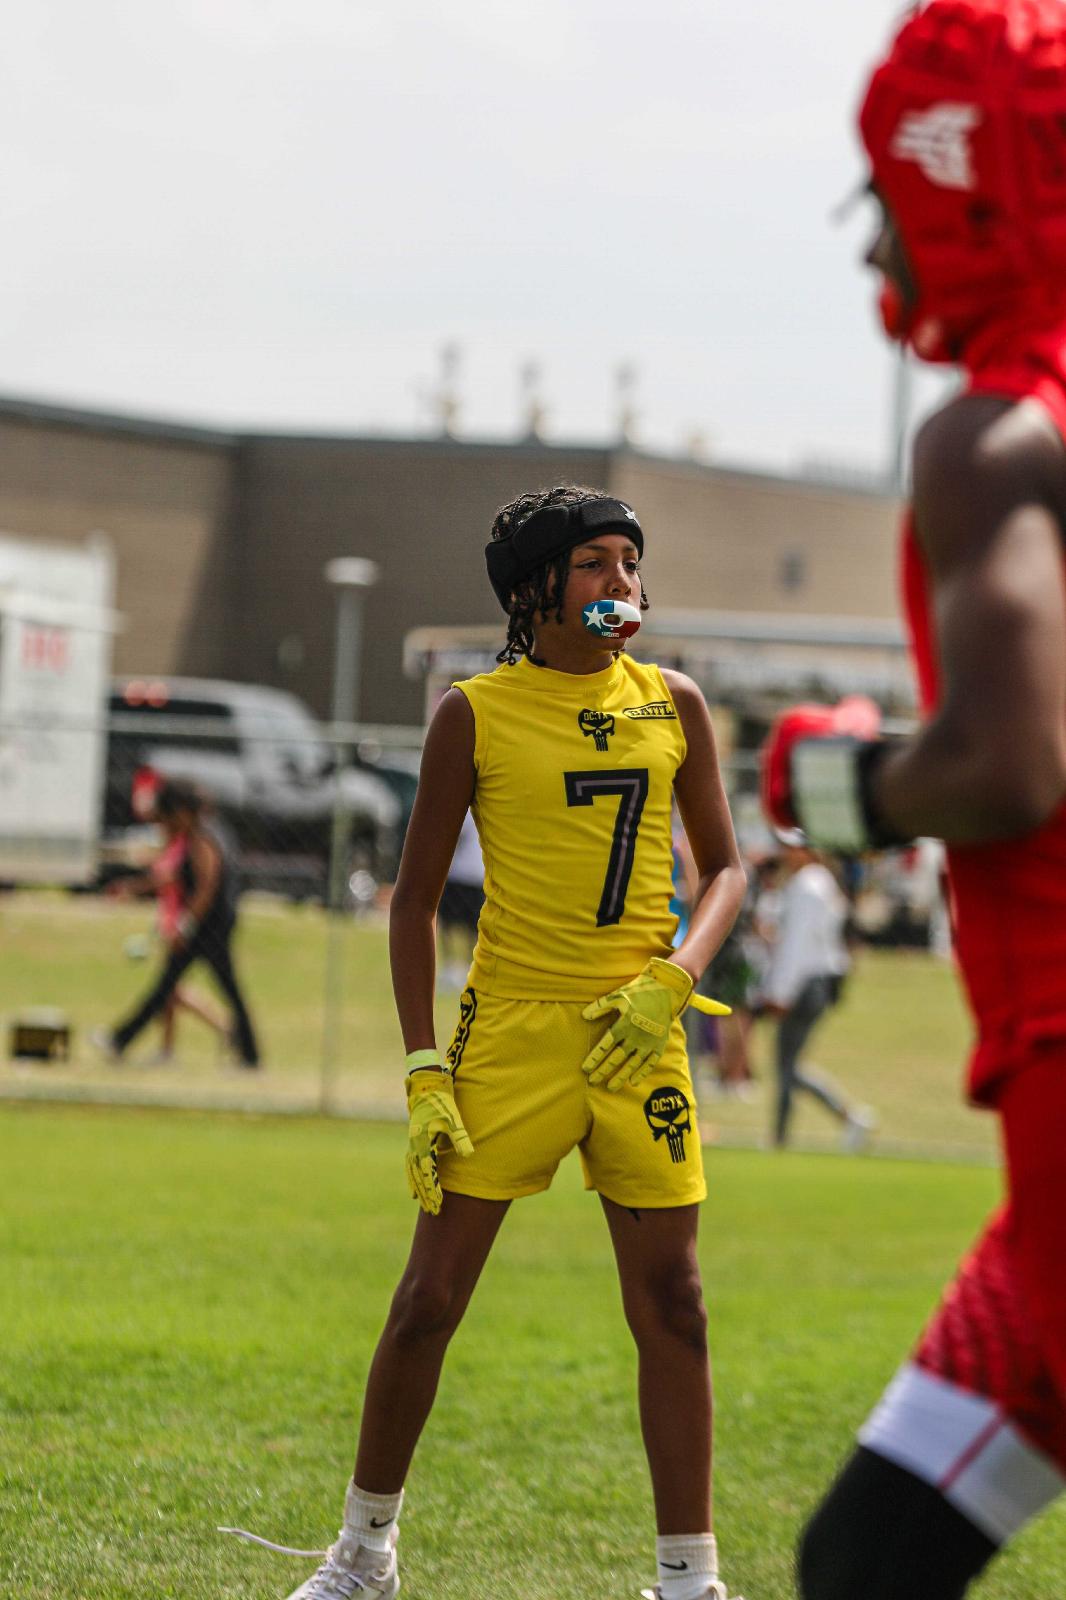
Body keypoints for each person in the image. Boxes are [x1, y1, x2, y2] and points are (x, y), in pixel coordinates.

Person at [226, 485, 748, 1600]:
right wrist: (423, 1065)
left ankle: (688, 1581)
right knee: (428, 1300)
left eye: (630, 563)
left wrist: (675, 978)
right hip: (509, 1032)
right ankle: (363, 1556)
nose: (622, 584)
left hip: (639, 1036)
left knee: (676, 1303)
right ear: (535, 589)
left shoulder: (676, 703)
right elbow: (413, 901)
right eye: (595, 563)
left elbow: (728, 871)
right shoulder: (473, 711)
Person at [762, 2, 1066, 1593]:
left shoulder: (992, 437)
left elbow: (1007, 770)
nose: (875, 241)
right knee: (867, 1562)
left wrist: (829, 774)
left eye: (886, 193)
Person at [94, 780, 260, 1069]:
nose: (167, 824)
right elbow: (176, 876)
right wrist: (134, 887)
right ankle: (120, 1040)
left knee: (176, 987)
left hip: (208, 929)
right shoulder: (205, 831)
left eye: (169, 816)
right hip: (209, 926)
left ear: (182, 812)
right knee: (174, 986)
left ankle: (120, 1040)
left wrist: (185, 925)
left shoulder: (203, 837)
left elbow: (206, 886)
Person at [760, 831, 871, 1150]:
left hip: (807, 983)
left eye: (792, 848)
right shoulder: (817, 882)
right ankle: (845, 1118)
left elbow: (796, 947)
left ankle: (782, 1137)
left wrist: (780, 993)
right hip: (815, 981)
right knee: (789, 1064)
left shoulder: (808, 886)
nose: (786, 853)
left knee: (786, 1065)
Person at [435, 807, 485, 990]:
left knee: (465, 926)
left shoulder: (467, 809)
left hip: (464, 874)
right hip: (470, 874)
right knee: (459, 924)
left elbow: (454, 836)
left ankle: (461, 966)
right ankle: (458, 966)